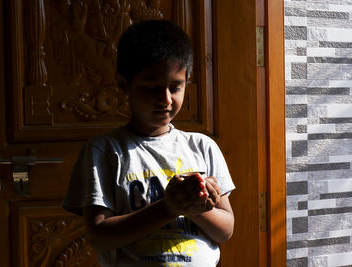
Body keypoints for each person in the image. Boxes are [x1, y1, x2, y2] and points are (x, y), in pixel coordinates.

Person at [62, 19, 235, 267]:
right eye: (152, 88)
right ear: (125, 85)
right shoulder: (104, 151)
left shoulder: (203, 147)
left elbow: (225, 231)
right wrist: (169, 208)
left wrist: (197, 207)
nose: (165, 99)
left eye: (175, 87)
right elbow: (99, 236)